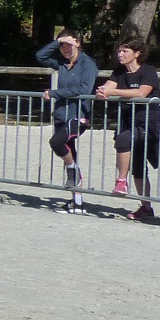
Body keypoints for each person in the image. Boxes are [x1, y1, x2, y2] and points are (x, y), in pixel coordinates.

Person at [96, 38, 160, 220]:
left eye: (125, 51)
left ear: (137, 54)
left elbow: (142, 92)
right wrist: (103, 91)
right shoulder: (119, 72)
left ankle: (121, 181)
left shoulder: (148, 71)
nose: (120, 54)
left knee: (125, 140)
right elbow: (107, 88)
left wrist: (113, 92)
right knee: (137, 167)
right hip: (128, 121)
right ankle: (146, 207)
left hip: (149, 124)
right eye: (119, 51)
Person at [36, 30, 98, 213]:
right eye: (62, 46)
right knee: (69, 152)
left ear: (77, 43)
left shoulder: (88, 64)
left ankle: (72, 170)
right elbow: (40, 56)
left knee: (56, 142)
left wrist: (54, 93)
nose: (65, 49)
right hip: (62, 114)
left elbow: (84, 88)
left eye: (68, 45)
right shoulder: (62, 63)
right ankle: (77, 201)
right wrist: (57, 41)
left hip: (78, 115)